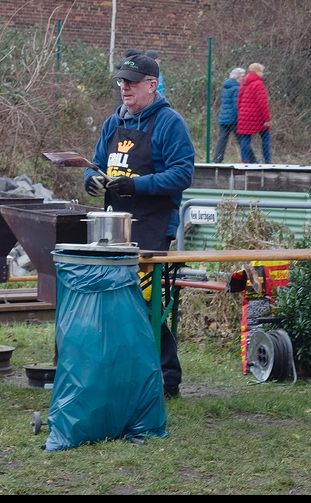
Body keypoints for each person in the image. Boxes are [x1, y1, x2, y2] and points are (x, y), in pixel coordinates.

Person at [84, 52, 195, 398]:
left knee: (146, 302)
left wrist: (138, 184)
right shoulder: (112, 122)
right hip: (113, 226)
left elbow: (183, 173)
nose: (124, 88)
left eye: (131, 83)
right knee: (115, 301)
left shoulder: (169, 123)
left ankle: (166, 377)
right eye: (121, 82)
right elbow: (97, 163)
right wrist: (91, 179)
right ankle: (127, 371)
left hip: (152, 225)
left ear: (152, 84)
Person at [236, 63, 272, 164]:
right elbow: (262, 103)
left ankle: (244, 161)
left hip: (244, 115)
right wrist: (267, 119)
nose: (262, 74)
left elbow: (239, 100)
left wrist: (241, 112)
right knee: (266, 135)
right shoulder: (258, 83)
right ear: (257, 71)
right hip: (257, 116)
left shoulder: (244, 82)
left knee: (246, 137)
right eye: (261, 71)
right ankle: (268, 160)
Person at [211, 67, 246, 164]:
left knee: (222, 140)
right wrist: (240, 117)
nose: (244, 78)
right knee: (243, 139)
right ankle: (251, 160)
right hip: (233, 118)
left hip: (224, 117)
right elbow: (236, 105)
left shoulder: (226, 87)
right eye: (242, 76)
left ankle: (217, 160)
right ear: (237, 78)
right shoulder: (237, 88)